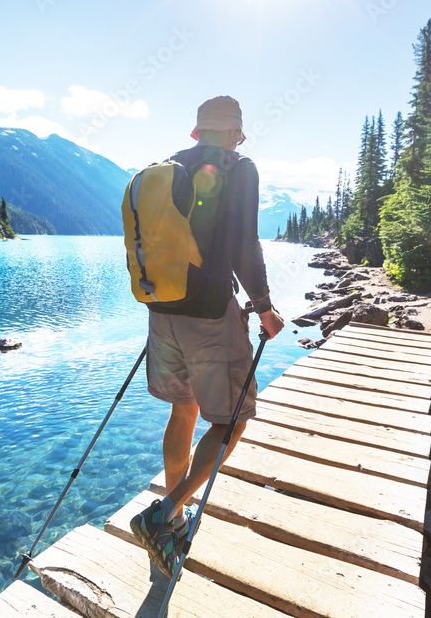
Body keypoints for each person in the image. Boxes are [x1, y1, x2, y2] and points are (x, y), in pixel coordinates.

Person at [129, 96, 285, 577]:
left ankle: (173, 515)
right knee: (233, 419)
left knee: (185, 408)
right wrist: (263, 306)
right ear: (238, 133)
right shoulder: (240, 169)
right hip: (211, 314)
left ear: (196, 132)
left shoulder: (169, 168)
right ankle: (164, 513)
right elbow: (244, 242)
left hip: (162, 311)